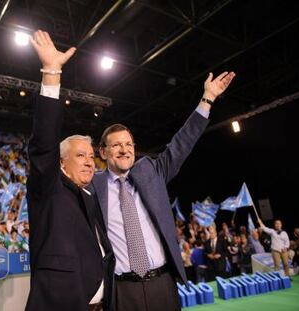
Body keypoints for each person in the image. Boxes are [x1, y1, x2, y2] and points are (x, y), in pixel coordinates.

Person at [92, 68, 235, 310]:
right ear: (103, 153)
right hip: (122, 290)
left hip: (163, 284)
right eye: (116, 145)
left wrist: (207, 99)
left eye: (129, 144)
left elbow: (181, 143)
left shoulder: (151, 172)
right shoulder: (93, 186)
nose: (124, 149)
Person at [25, 30, 114, 311]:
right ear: (61, 162)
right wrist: (51, 72)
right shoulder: (48, 186)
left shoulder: (88, 196)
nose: (90, 161)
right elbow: (43, 145)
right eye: (80, 156)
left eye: (91, 156)